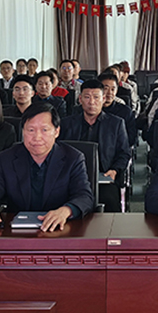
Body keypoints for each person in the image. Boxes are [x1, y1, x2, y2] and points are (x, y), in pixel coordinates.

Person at [0, 102, 95, 231]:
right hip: (18, 233)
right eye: (31, 130)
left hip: (60, 230)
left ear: (56, 132)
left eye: (44, 130)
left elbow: (84, 196)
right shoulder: (6, 159)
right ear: (23, 131)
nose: (37, 137)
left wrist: (66, 211)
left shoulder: (73, 158)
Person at [61, 80, 130, 213]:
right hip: (72, 179)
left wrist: (114, 170)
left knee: (110, 201)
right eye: (87, 97)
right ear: (80, 99)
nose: (91, 102)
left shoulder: (116, 124)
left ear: (103, 99)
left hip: (104, 178)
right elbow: (60, 151)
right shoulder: (66, 124)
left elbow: (124, 153)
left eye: (96, 97)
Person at [99, 71, 138, 146]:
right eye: (106, 88)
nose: (109, 93)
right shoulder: (91, 110)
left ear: (116, 91)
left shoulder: (125, 111)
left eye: (113, 89)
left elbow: (131, 138)